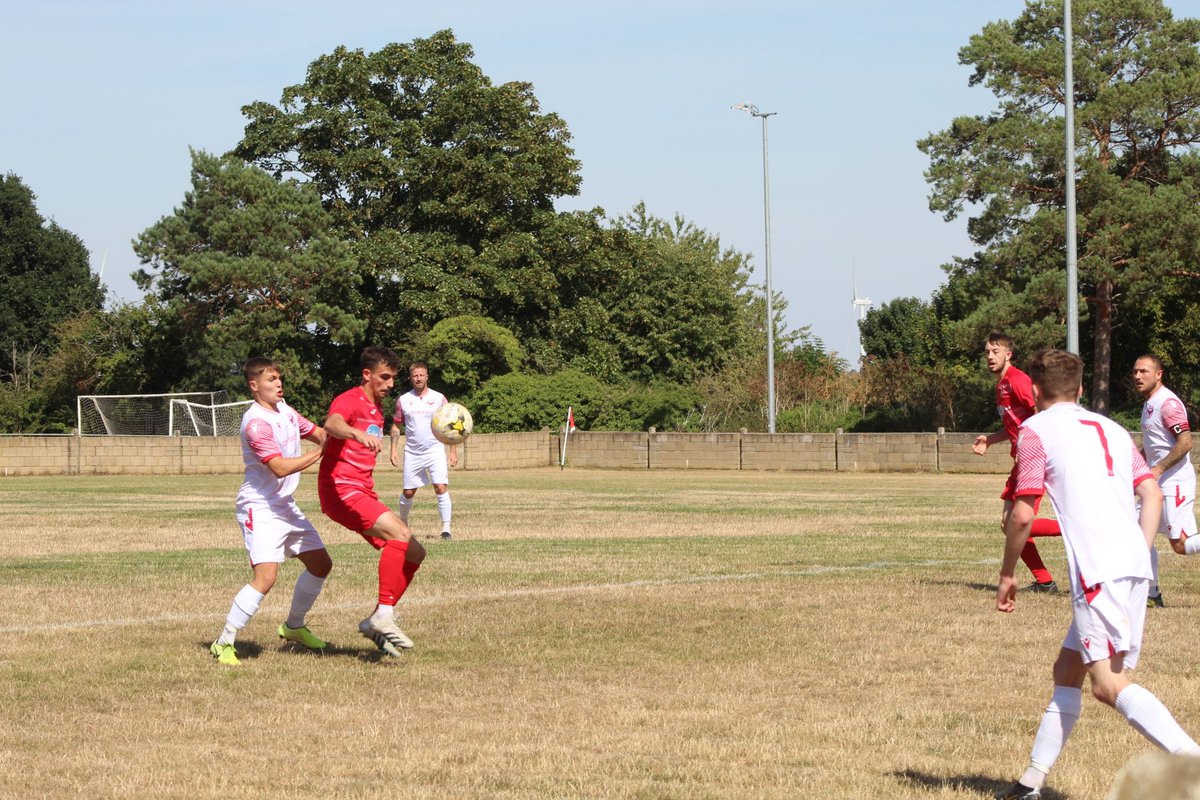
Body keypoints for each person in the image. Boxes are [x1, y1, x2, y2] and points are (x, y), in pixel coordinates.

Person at [994, 348, 1199, 800]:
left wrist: (1008, 574)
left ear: (1036, 391)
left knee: (1108, 685)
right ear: (1081, 389)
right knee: (1067, 670)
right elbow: (1151, 494)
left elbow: (1023, 513)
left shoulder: (1034, 431)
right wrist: (1138, 552)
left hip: (1097, 570)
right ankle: (1030, 783)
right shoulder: (1112, 428)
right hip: (1131, 563)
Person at [210, 357, 331, 666]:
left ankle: (294, 627)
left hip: (285, 505)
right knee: (266, 577)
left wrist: (347, 436)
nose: (279, 384)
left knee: (320, 564)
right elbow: (279, 467)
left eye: (279, 378)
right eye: (271, 379)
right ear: (254, 385)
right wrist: (321, 452)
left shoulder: (285, 411)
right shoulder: (256, 423)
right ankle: (223, 642)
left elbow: (319, 432)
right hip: (260, 507)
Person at [318, 346, 426, 657]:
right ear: (367, 374)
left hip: (362, 491)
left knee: (415, 552)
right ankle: (384, 615)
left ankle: (376, 619)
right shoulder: (351, 400)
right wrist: (354, 433)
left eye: (393, 378)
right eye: (385, 377)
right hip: (341, 490)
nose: (391, 384)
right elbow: (332, 423)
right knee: (400, 533)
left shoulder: (377, 409)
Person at [972, 331, 1061, 592]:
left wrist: (1030, 446)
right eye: (987, 352)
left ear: (1008, 354)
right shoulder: (1001, 386)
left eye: (995, 351)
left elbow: (1042, 412)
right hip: (1021, 461)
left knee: (1017, 523)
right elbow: (1015, 425)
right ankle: (1045, 581)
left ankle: (1076, 527)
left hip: (1034, 459)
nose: (990, 356)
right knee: (1008, 524)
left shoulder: (1018, 380)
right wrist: (990, 439)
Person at [1133, 354, 1197, 608]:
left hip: (1174, 483)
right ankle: (1151, 594)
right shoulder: (1149, 402)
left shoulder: (1167, 403)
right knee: (1137, 533)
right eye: (1135, 371)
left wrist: (1158, 469)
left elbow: (1186, 442)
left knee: (1180, 545)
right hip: (1156, 483)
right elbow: (1154, 446)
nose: (1138, 376)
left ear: (1158, 375)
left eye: (1144, 371)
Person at [389, 361, 458, 540]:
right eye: (415, 375)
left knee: (440, 487)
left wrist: (452, 451)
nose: (418, 378)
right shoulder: (404, 400)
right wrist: (393, 450)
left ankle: (446, 530)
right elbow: (396, 426)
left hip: (435, 450)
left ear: (427, 376)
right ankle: (403, 525)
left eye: (421, 375)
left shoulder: (439, 398)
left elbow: (450, 425)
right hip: (412, 452)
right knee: (409, 492)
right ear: (410, 378)